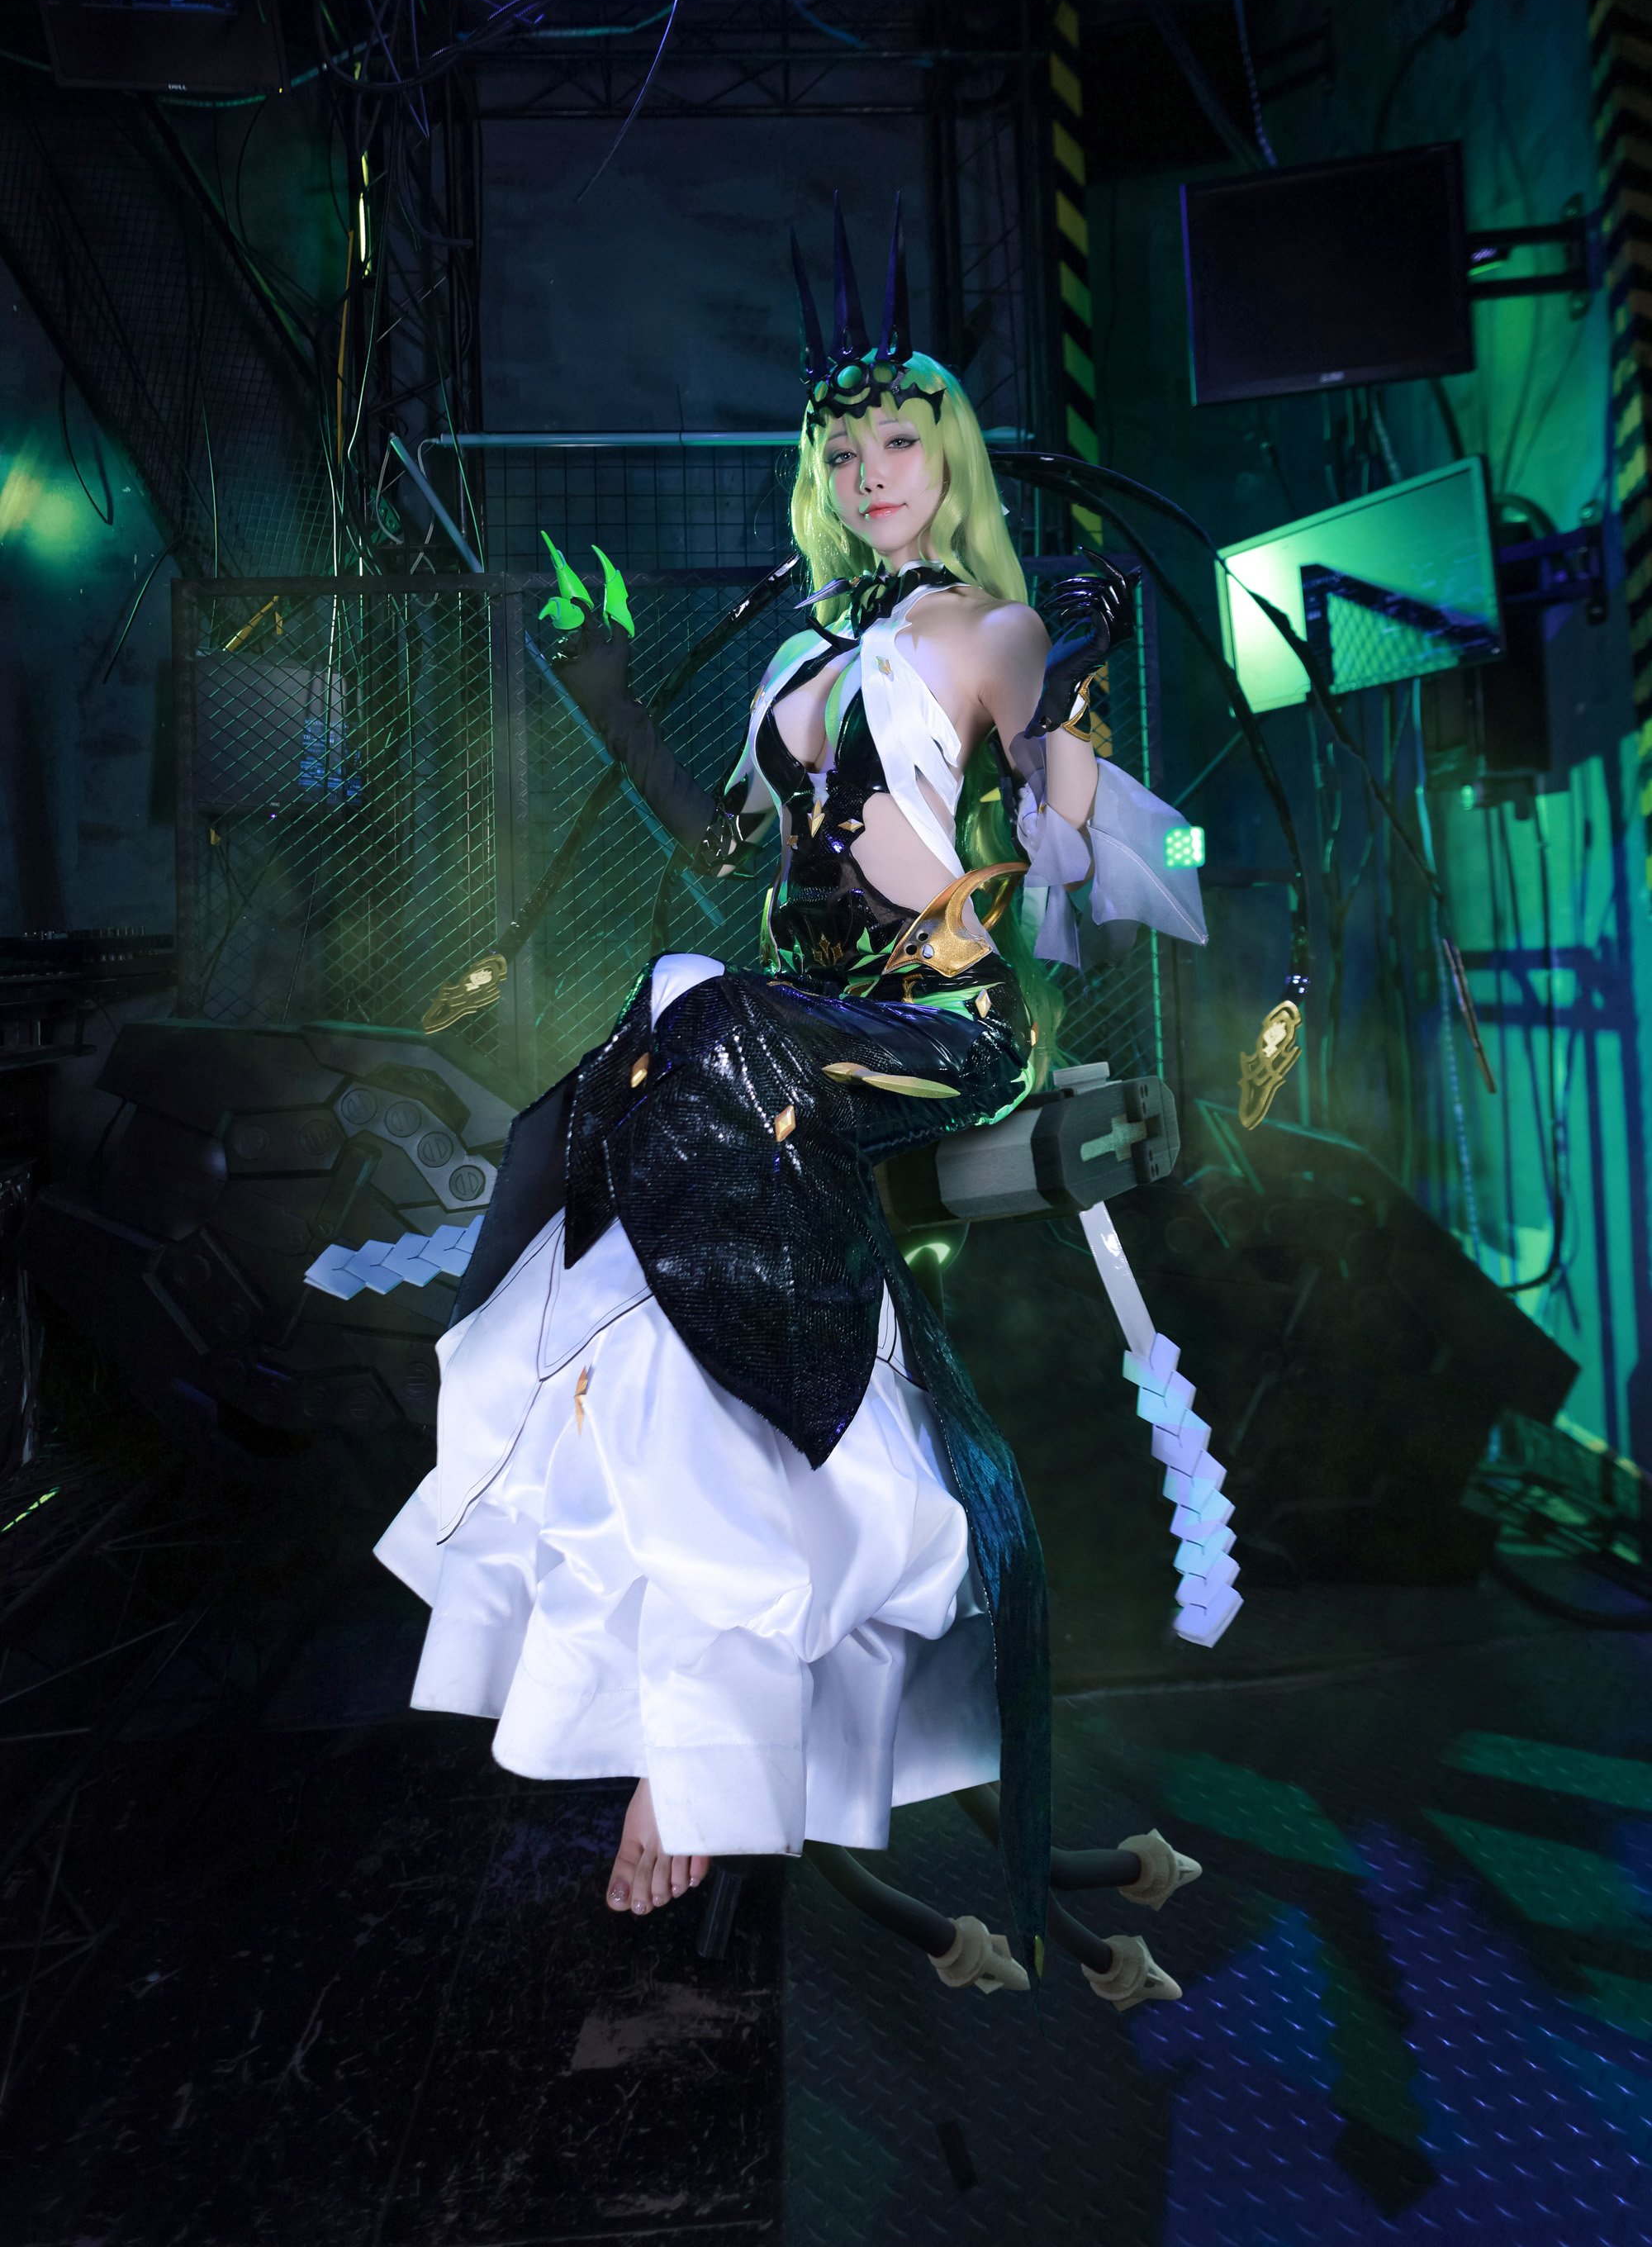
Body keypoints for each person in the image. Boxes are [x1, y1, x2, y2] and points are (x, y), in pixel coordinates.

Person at [373, 202, 1207, 1994]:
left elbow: (1062, 821)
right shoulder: (796, 661)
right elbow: (715, 849)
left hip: (942, 1030)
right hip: (792, 1034)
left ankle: (729, 1682)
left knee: (699, 1013)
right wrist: (607, 690)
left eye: (900, 439)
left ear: (948, 457)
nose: (870, 470)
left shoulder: (989, 628)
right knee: (655, 1056)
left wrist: (1073, 695)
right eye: (842, 450)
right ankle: (702, 1650)